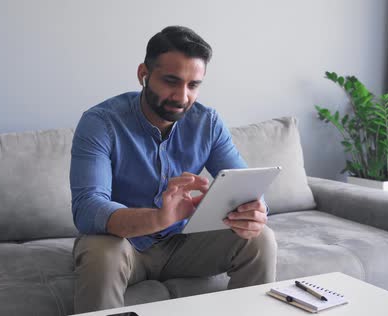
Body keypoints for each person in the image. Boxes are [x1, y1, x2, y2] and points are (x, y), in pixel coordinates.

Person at [70, 25, 277, 314]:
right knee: (101, 254)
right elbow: (87, 208)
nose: (182, 96)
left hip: (184, 245)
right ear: (144, 74)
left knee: (260, 238)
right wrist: (158, 218)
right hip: (123, 244)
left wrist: (255, 212)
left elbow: (246, 186)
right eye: (171, 81)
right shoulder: (100, 123)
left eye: (193, 85)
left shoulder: (208, 123)